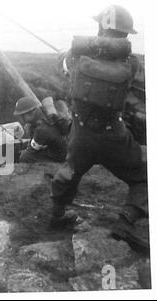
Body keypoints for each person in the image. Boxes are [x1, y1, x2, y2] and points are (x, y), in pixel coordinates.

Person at [50, 6, 148, 251]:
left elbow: (61, 65)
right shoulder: (132, 63)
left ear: (102, 27)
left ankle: (57, 214)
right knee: (144, 177)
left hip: (81, 136)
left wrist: (68, 53)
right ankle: (126, 222)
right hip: (114, 135)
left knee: (70, 172)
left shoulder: (75, 58)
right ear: (125, 34)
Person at [14, 96, 70, 163]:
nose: (21, 118)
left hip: (59, 157)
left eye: (22, 115)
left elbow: (30, 152)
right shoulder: (44, 118)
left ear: (30, 112)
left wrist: (22, 154)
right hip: (58, 151)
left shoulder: (41, 129)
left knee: (25, 158)